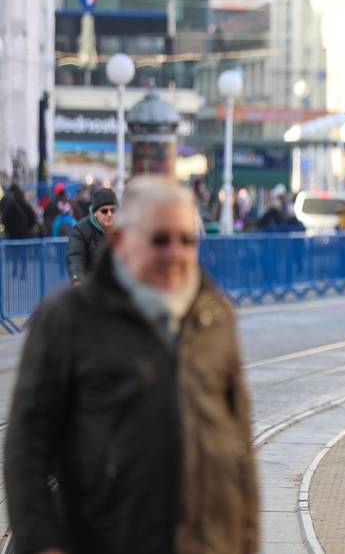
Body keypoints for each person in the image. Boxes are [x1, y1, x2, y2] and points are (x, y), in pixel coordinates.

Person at [4, 176, 259, 553]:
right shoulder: (67, 319)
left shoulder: (213, 315)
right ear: (122, 242)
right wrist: (42, 542)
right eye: (160, 239)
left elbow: (239, 449)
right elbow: (26, 444)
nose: (175, 253)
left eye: (187, 240)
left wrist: (245, 541)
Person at [66, 188, 118, 285]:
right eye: (104, 211)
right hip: (92, 287)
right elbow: (75, 256)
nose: (109, 214)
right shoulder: (81, 230)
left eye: (113, 210)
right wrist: (77, 279)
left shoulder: (124, 228)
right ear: (95, 213)